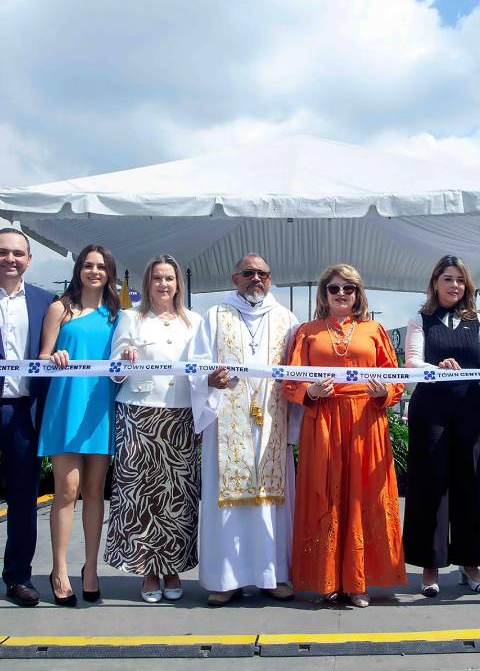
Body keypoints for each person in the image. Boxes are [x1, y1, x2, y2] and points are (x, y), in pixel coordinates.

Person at [402, 255, 480, 597]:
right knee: (430, 486)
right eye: (447, 279)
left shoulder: (478, 320)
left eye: (459, 280)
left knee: (473, 483)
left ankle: (471, 563)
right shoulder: (420, 319)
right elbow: (412, 363)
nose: (454, 285)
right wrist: (437, 367)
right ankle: (429, 566)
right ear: (435, 283)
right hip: (431, 411)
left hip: (470, 409)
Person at [285, 264, 406, 608]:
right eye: (334, 288)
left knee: (363, 495)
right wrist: (310, 392)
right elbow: (289, 380)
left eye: (348, 289)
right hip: (322, 419)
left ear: (358, 294)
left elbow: (395, 376)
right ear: (323, 293)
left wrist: (385, 392)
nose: (341, 294)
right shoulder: (307, 332)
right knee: (325, 494)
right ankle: (326, 581)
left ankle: (358, 581)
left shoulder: (374, 330)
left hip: (366, 419)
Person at [188, 253, 300, 606]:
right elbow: (195, 364)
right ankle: (227, 579)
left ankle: (274, 576)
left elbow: (298, 369)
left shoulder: (287, 319)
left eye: (263, 274)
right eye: (249, 273)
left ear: (270, 279)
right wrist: (208, 379)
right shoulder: (215, 317)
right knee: (228, 505)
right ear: (234, 277)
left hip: (270, 421)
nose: (257, 279)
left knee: (273, 505)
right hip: (226, 421)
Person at [104, 255, 202, 603]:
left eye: (169, 279)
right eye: (158, 278)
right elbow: (114, 371)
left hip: (181, 416)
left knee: (178, 496)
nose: (164, 284)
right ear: (148, 284)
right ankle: (148, 570)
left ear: (179, 284)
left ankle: (173, 567)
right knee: (141, 493)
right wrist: (124, 358)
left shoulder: (195, 321)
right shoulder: (131, 318)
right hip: (139, 413)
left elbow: (204, 371)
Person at [38, 244, 120, 606]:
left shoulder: (118, 315)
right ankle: (59, 570)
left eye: (100, 266)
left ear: (109, 272)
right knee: (67, 490)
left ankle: (90, 569)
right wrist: (53, 357)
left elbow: (124, 358)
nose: (94, 271)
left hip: (100, 408)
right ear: (78, 270)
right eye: (88, 265)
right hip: (66, 407)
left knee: (93, 489)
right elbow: (40, 357)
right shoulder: (59, 308)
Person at [1, 227, 54, 607]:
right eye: (3, 252)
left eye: (18, 253)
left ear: (29, 260)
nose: (10, 259)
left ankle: (18, 577)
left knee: (23, 500)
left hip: (25, 411)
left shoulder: (44, 301)